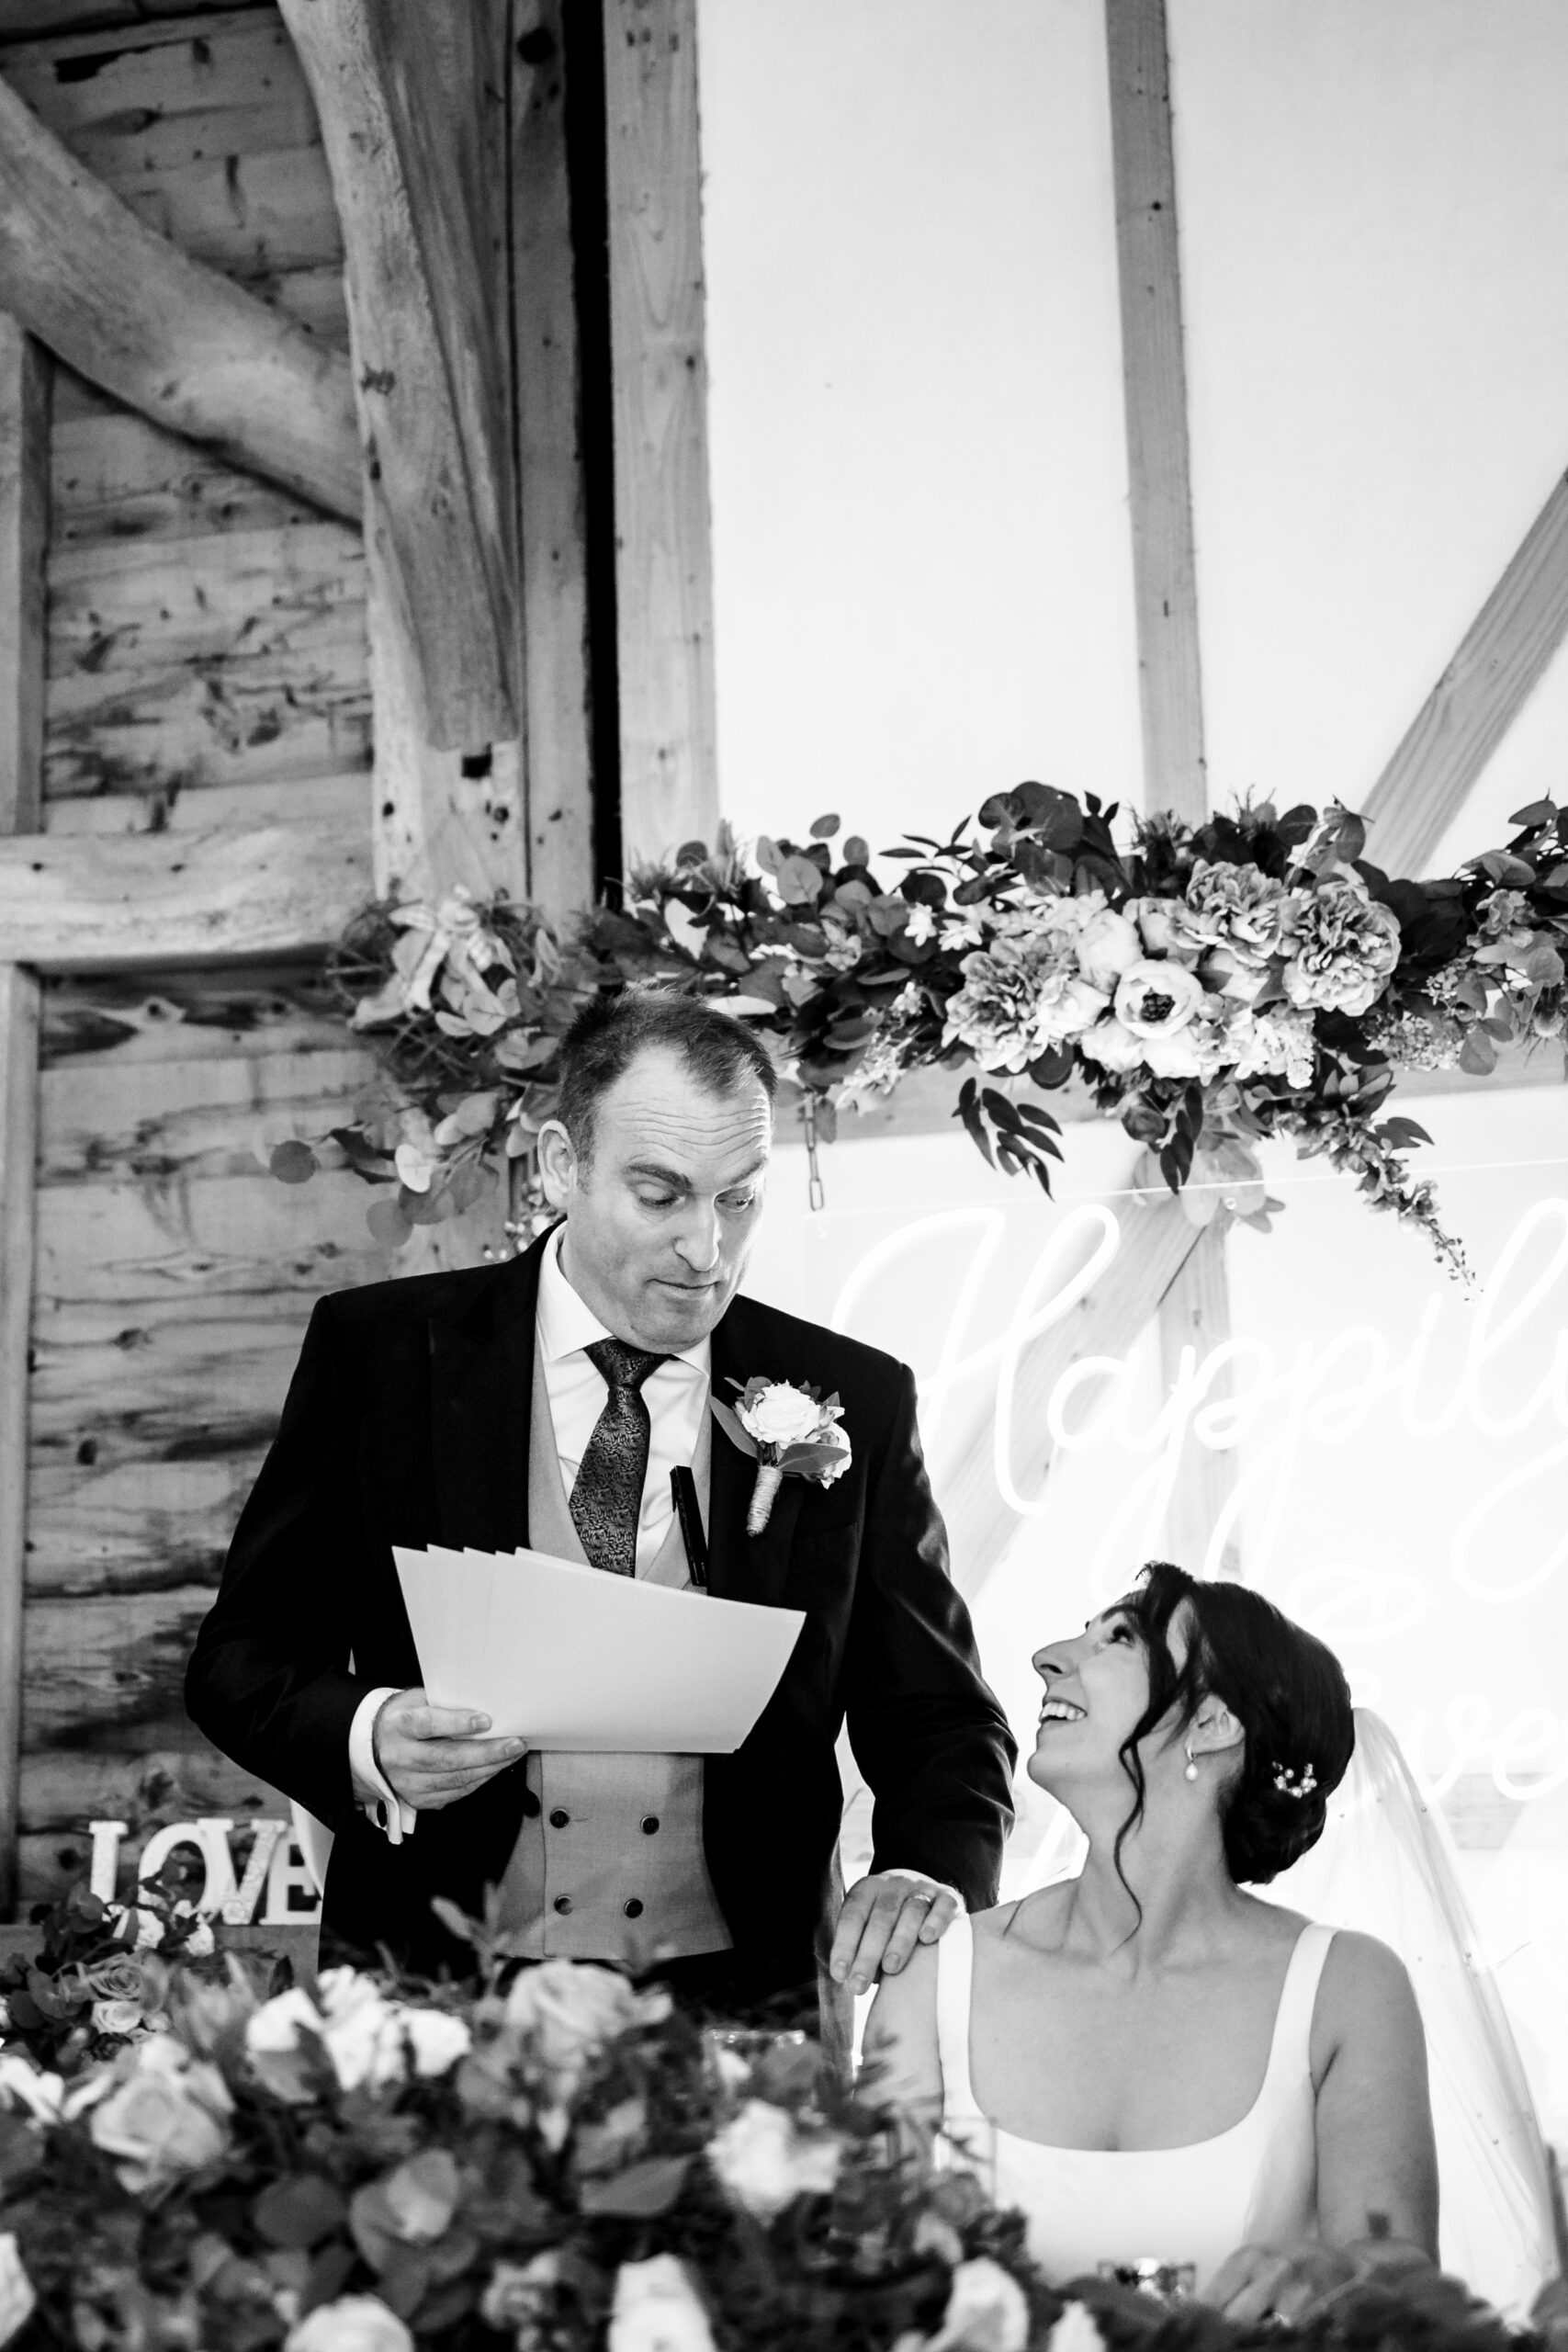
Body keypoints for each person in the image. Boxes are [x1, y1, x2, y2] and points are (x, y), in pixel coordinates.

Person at [186, 990, 1016, 2011]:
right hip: (434, 2001)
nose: (707, 1248)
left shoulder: (858, 1395)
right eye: (661, 1194)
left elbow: (940, 1716)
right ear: (561, 1164)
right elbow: (240, 1659)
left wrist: (927, 1870)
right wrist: (368, 1732)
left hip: (747, 2008)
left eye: (740, 1197)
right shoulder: (383, 1357)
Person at [863, 1561, 1441, 2312]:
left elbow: (1400, 2274)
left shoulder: (1346, 1989)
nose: (1047, 1656)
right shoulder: (934, 1974)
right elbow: (858, 2277)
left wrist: (1339, 2277)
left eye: (1119, 1637)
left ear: (1210, 1723)